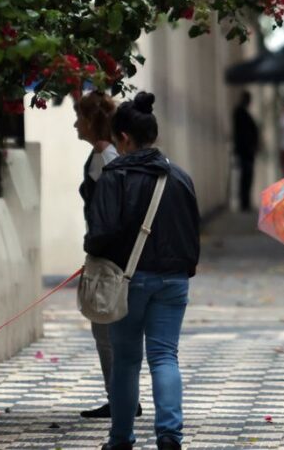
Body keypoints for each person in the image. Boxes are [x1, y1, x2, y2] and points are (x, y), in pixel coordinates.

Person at [85, 92, 202, 450]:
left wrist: (94, 253)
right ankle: (169, 435)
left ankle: (121, 438)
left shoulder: (114, 177)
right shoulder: (179, 177)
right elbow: (192, 232)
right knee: (165, 356)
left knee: (126, 360)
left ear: (123, 138)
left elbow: (101, 233)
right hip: (174, 280)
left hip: (129, 280)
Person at [74, 92, 141, 420]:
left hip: (109, 256)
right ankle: (121, 397)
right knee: (108, 330)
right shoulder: (104, 154)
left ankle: (122, 399)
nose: (75, 124)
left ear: (90, 122)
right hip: (109, 252)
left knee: (106, 330)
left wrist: (97, 247)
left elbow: (111, 211)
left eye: (79, 118)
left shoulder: (105, 157)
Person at [232, 91, 259, 211]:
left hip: (247, 151)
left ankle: (245, 201)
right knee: (246, 176)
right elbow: (243, 133)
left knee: (247, 176)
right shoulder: (240, 113)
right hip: (245, 151)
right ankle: (244, 202)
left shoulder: (243, 113)